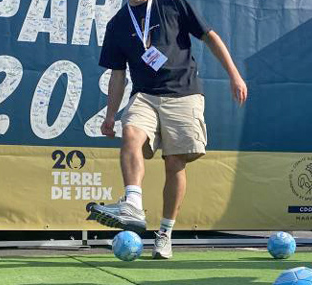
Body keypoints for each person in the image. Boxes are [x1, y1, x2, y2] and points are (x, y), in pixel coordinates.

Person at [89, 0, 247, 259]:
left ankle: (165, 233)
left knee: (175, 163)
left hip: (184, 93)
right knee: (130, 133)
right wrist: (110, 115)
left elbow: (210, 36)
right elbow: (118, 74)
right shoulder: (117, 23)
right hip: (144, 95)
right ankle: (133, 203)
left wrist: (234, 75)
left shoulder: (173, 3)